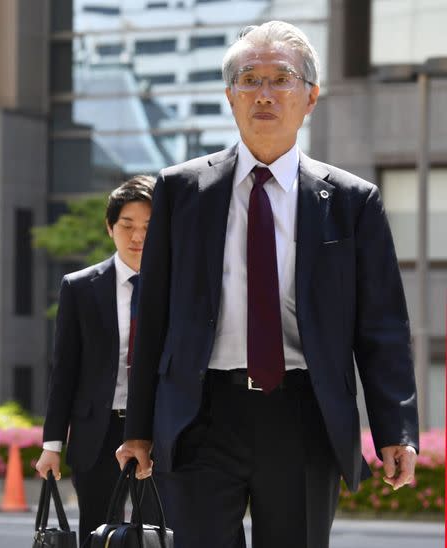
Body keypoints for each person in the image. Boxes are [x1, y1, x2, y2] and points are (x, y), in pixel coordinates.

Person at [117, 21, 419, 548]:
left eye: (281, 79)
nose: (264, 93)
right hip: (200, 415)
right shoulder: (180, 191)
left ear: (310, 98)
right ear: (230, 98)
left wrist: (395, 430)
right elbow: (153, 316)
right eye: (248, 79)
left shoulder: (352, 201)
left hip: (304, 414)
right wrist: (139, 426)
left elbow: (382, 327)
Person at [35, 176, 154, 545]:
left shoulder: (176, 287)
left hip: (157, 435)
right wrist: (52, 445)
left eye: (149, 228)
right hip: (96, 434)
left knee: (157, 536)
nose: (137, 237)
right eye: (127, 226)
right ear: (110, 227)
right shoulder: (80, 287)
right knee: (97, 534)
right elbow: (64, 369)